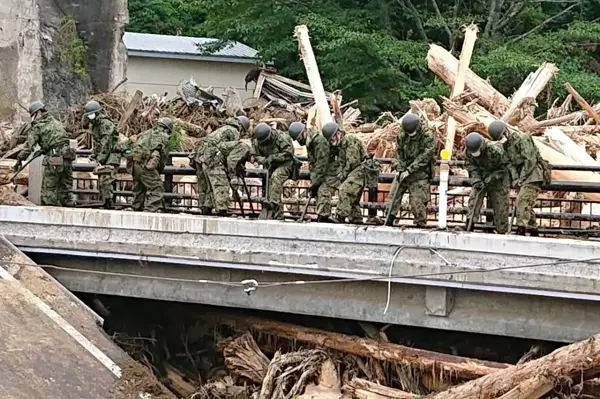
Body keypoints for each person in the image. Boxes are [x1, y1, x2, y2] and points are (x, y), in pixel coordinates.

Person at [488, 120, 550, 236]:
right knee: (526, 202)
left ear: (506, 131)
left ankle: (521, 228)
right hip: (521, 174)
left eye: (501, 136)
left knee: (522, 201)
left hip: (533, 174)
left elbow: (530, 159)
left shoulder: (522, 138)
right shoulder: (506, 145)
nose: (501, 139)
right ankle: (532, 229)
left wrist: (522, 178)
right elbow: (510, 164)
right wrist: (516, 179)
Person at [15, 101, 75, 206]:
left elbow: (29, 146)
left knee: (49, 192)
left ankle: (49, 218)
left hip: (55, 160)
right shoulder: (56, 122)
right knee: (66, 191)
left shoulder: (38, 126)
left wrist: (20, 158)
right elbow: (58, 140)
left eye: (33, 115)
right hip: (67, 159)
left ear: (37, 113)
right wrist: (43, 150)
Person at [385, 113, 435, 227]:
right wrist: (400, 168)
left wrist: (410, 170)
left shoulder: (427, 136)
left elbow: (425, 156)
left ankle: (420, 223)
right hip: (403, 170)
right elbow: (398, 151)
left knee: (417, 202)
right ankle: (389, 219)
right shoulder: (402, 133)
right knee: (393, 196)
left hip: (420, 173)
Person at [192, 116, 249, 215]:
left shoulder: (223, 129)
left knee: (207, 186)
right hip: (213, 158)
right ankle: (222, 210)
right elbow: (231, 154)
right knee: (220, 184)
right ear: (241, 127)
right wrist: (233, 174)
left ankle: (206, 207)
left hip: (200, 157)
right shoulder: (233, 131)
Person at [324, 122, 379, 224]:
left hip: (360, 169)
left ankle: (340, 216)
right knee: (353, 195)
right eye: (330, 140)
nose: (332, 142)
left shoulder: (349, 140)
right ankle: (355, 217)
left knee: (345, 190)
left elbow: (353, 161)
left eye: (333, 138)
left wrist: (343, 174)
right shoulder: (341, 144)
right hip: (355, 170)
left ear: (338, 133)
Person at [288, 121, 338, 222]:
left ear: (304, 132)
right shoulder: (311, 141)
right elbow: (314, 164)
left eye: (299, 138)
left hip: (332, 170)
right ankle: (322, 216)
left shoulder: (319, 141)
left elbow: (321, 164)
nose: (299, 142)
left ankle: (324, 217)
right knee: (320, 191)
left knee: (323, 191)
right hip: (323, 172)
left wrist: (315, 183)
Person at [465, 132, 510, 234]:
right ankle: (469, 224)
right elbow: (471, 165)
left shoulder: (495, 150)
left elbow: (504, 168)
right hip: (481, 177)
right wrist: (476, 180)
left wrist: (490, 178)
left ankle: (502, 231)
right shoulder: (469, 151)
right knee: (474, 199)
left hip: (499, 180)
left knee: (501, 206)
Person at [128, 117, 172, 212]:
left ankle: (135, 207)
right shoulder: (163, 136)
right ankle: (150, 209)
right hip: (146, 165)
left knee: (139, 186)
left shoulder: (145, 133)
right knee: (157, 187)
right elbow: (163, 156)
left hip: (134, 163)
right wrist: (159, 170)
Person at [253, 122, 295, 220]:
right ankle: (277, 214)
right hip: (269, 166)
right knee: (269, 186)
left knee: (276, 178)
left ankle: (273, 205)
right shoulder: (258, 141)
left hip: (285, 164)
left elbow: (288, 154)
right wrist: (261, 159)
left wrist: (272, 158)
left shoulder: (282, 137)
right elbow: (254, 154)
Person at [83, 100, 120, 209]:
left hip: (112, 156)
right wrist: (94, 155)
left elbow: (106, 142)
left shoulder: (105, 124)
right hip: (104, 156)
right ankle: (105, 201)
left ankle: (108, 203)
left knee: (107, 180)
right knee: (103, 180)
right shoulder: (95, 125)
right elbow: (98, 143)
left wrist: (100, 157)